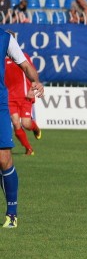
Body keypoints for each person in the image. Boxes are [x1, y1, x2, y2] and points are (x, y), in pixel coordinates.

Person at [0, 29, 45, 228]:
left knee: (4, 158)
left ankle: (12, 213)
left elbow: (26, 65)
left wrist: (35, 81)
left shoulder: (5, 38)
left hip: (1, 103)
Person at [4, 39, 42, 156]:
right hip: (9, 97)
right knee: (16, 124)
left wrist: (32, 88)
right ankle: (29, 148)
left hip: (24, 95)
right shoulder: (2, 60)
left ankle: (35, 128)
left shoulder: (22, 56)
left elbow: (31, 72)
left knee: (26, 123)